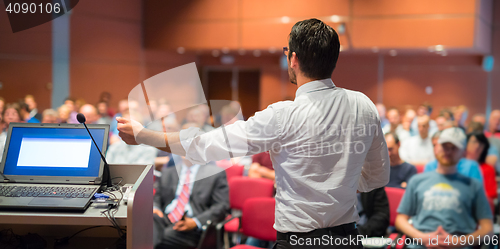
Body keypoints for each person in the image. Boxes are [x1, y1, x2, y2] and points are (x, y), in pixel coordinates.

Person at [118, 18, 389, 249]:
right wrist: (341, 183)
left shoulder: (283, 115)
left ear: (293, 59)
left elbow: (205, 145)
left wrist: (144, 135)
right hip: (347, 238)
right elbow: (378, 177)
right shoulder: (363, 104)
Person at [395, 127, 493, 248]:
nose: (448, 151)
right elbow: (400, 220)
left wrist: (458, 242)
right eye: (444, 146)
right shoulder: (417, 181)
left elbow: (488, 228)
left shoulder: (473, 185)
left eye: (454, 148)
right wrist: (422, 238)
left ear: (463, 153)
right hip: (421, 243)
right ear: (436, 148)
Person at [153, 154, 229, 249]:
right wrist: (155, 208)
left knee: (151, 236)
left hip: (192, 225)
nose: (186, 150)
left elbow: (221, 206)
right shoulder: (168, 172)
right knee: (143, 225)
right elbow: (156, 198)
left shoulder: (215, 173)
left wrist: (195, 222)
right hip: (165, 218)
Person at [465, 132, 497, 199]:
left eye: (481, 143)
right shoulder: (457, 165)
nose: (477, 146)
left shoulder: (488, 169)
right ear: (466, 143)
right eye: (474, 142)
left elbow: (490, 195)